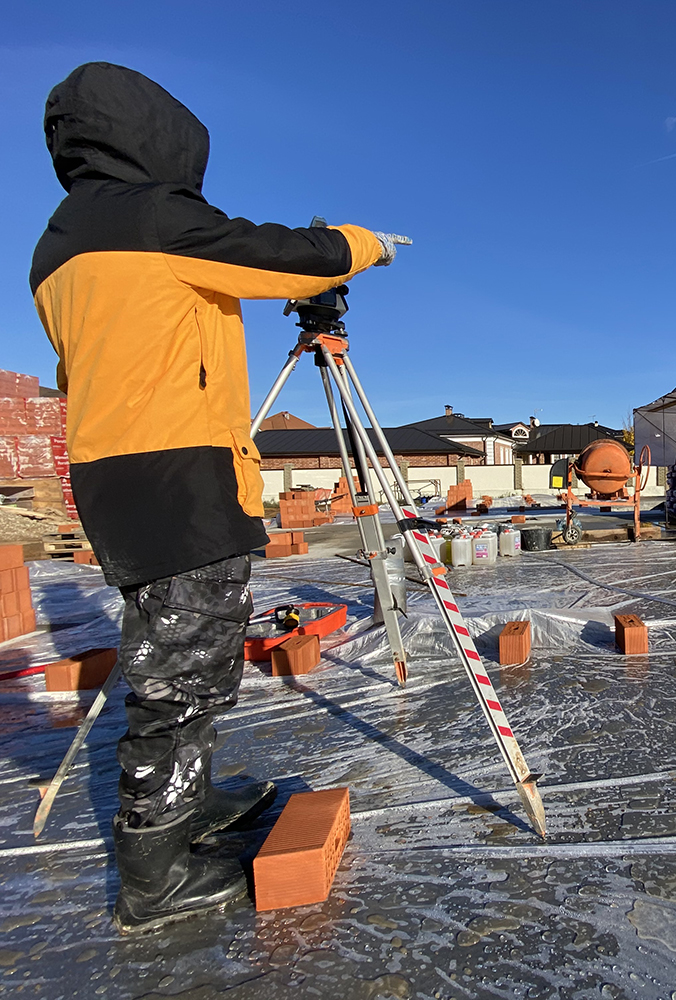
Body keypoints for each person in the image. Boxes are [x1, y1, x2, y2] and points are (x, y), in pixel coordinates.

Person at [31, 62, 403, 934]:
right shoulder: (153, 217)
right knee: (183, 672)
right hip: (180, 475)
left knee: (178, 654)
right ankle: (155, 873)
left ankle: (186, 804)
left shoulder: (60, 243)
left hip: (116, 471)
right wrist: (361, 242)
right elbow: (278, 254)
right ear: (151, 135)